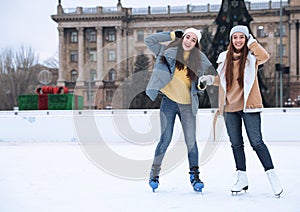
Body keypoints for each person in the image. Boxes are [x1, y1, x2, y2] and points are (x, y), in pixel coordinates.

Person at [199, 25, 283, 197]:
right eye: (235, 37)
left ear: (246, 39)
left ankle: (273, 178)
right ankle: (242, 179)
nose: (238, 40)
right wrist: (209, 79)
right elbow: (222, 81)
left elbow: (265, 56)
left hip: (249, 107)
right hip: (230, 108)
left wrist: (252, 41)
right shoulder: (224, 59)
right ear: (231, 40)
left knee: (257, 143)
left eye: (241, 37)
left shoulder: (252, 58)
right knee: (236, 145)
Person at [145, 28, 215, 192]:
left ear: (196, 44)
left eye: (193, 40)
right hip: (168, 102)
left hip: (187, 105)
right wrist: (170, 35)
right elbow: (149, 40)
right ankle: (154, 174)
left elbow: (208, 77)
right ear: (182, 37)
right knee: (165, 139)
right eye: (187, 37)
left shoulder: (200, 60)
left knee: (191, 142)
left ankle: (195, 176)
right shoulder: (166, 51)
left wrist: (202, 84)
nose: (189, 41)